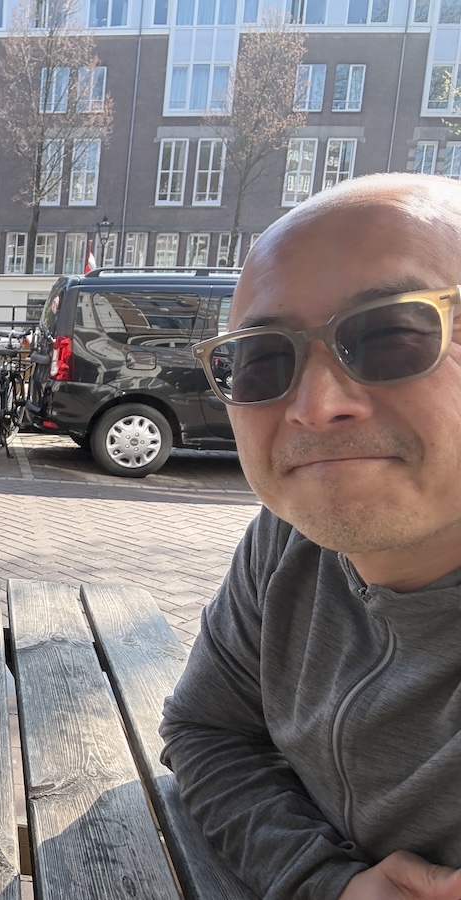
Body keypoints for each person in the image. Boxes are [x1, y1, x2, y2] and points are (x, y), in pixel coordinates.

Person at [160, 172, 461, 900]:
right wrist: (326, 884)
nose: (317, 404)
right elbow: (207, 731)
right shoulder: (289, 539)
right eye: (264, 358)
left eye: (392, 333)